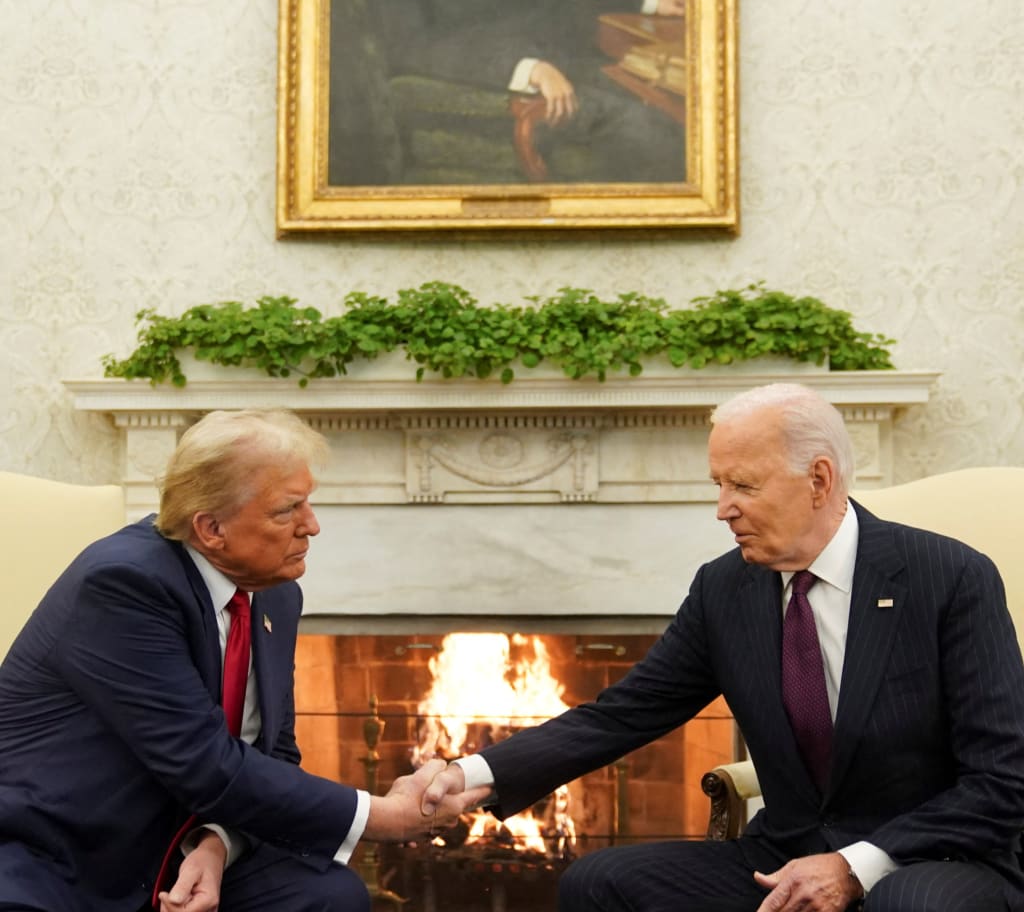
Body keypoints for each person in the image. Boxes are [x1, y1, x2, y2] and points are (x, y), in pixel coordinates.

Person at [422, 382, 1024, 911]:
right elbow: (623, 714)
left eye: (743, 485)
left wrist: (854, 865)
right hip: (785, 852)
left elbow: (1003, 779)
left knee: (907, 903)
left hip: (931, 858)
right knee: (599, 882)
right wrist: (469, 772)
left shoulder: (946, 577)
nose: (722, 509)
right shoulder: (725, 589)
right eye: (718, 483)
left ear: (818, 479)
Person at [0, 409, 487, 912]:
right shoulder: (124, 584)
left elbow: (274, 753)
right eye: (287, 510)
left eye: (308, 502)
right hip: (64, 854)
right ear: (211, 528)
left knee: (329, 897)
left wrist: (215, 845)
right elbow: (204, 761)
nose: (312, 526)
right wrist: (383, 817)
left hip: (176, 845)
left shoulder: (275, 595)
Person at [359, 0, 687, 183]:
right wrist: (527, 68)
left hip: (573, 59)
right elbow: (413, 45)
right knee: (652, 132)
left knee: (676, 105)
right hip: (504, 89)